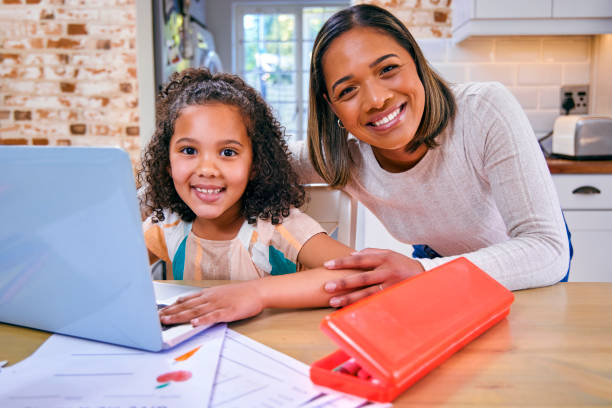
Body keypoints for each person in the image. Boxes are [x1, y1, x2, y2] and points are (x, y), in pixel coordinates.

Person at [289, 4, 571, 307]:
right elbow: (253, 160)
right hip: (435, 266)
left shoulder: (483, 110)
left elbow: (547, 249)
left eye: (387, 69)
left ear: (416, 61)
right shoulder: (345, 157)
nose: (376, 99)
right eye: (348, 90)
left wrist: (423, 272)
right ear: (333, 108)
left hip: (524, 272)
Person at [138, 68, 355, 327]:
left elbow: (356, 273)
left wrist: (256, 292)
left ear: (255, 164)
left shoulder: (275, 227)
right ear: (167, 162)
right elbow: (107, 272)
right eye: (188, 150)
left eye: (228, 152)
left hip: (275, 350)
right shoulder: (167, 226)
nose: (207, 169)